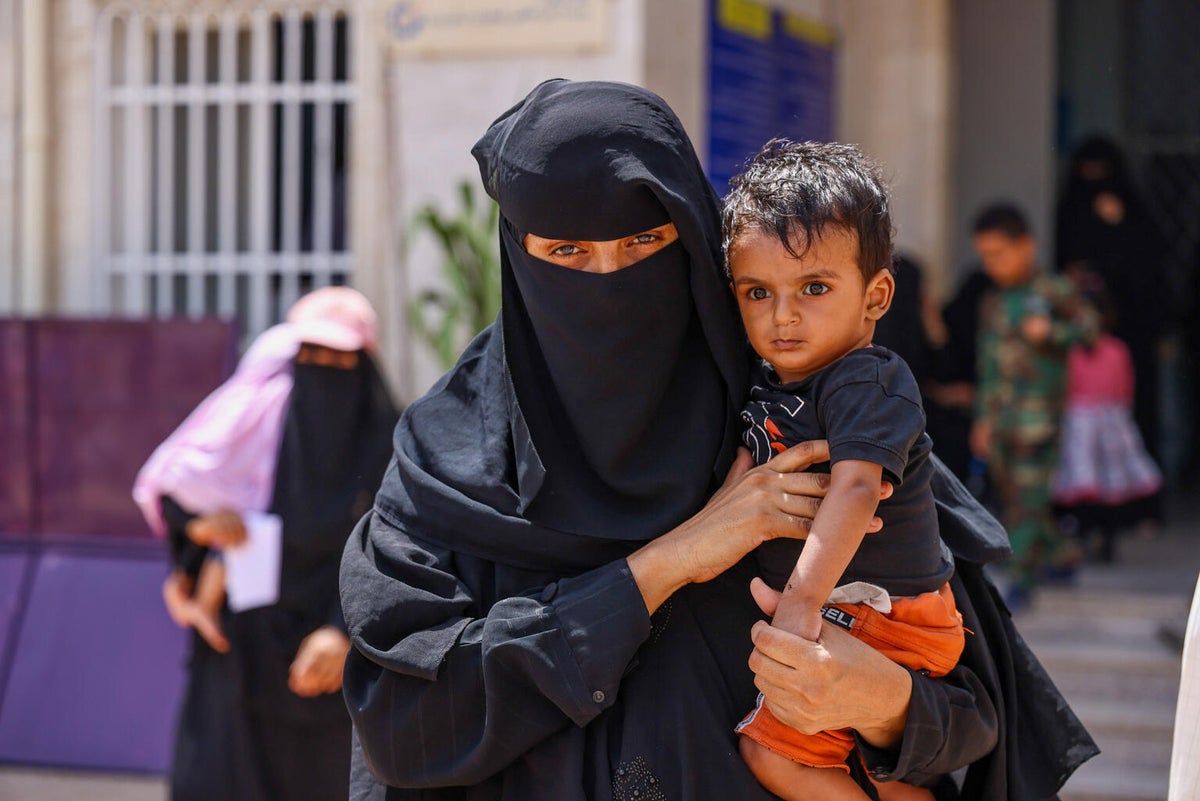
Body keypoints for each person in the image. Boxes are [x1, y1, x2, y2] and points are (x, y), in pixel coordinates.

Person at [340, 79, 1096, 800]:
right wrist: (667, 563)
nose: (611, 283)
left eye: (645, 241)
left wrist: (883, 702)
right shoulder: (447, 464)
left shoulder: (802, 419)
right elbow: (406, 727)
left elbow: (975, 719)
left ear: (700, 247)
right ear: (518, 254)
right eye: (567, 253)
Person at [723, 139, 963, 801]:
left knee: (773, 756)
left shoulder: (868, 378)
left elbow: (857, 487)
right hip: (846, 610)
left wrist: (799, 605)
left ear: (877, 294)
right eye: (758, 292)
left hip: (885, 615)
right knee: (820, 759)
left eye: (815, 287)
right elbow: (738, 486)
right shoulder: (774, 386)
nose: (784, 314)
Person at [133, 286, 399, 801]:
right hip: (238, 652)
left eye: (341, 359)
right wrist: (202, 528)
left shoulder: (392, 446)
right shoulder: (255, 422)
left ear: (364, 365)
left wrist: (343, 629)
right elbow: (179, 493)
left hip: (328, 672)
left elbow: (403, 544)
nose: (324, 368)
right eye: (313, 354)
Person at [970, 203, 1097, 608]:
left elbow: (1091, 330)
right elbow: (988, 369)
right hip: (1002, 421)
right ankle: (1062, 553)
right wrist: (982, 421)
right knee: (1019, 500)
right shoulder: (992, 301)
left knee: (1026, 502)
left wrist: (1052, 332)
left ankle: (1021, 583)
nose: (993, 265)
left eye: (1000, 254)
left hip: (1039, 421)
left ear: (1027, 246)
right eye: (986, 256)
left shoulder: (1052, 289)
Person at [1052, 288, 1163, 562]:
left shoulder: (1116, 350)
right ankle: (1082, 536)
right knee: (1082, 483)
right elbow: (1063, 388)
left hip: (1110, 424)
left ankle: (1106, 538)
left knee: (1110, 482)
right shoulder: (1070, 352)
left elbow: (1125, 389)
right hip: (1079, 424)